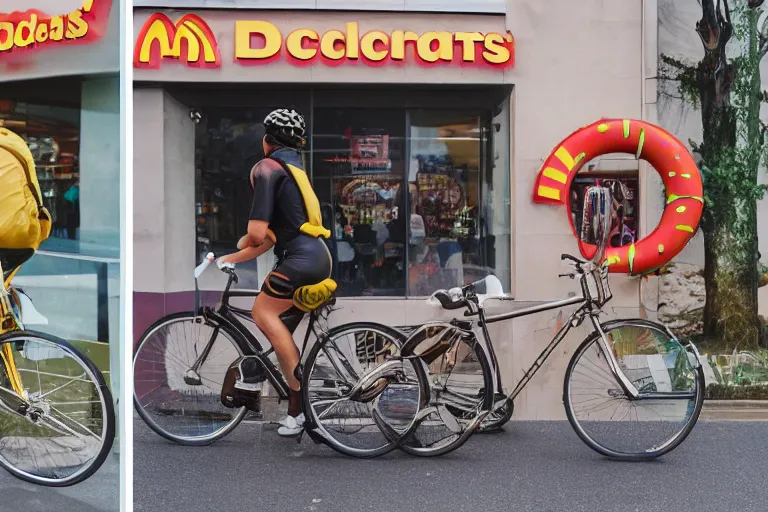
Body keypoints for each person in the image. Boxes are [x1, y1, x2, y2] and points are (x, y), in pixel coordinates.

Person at [217, 109, 333, 437]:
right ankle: (294, 413)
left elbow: (257, 234)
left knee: (261, 311)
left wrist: (241, 244)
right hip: (317, 258)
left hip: (298, 261)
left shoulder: (266, 168)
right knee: (280, 331)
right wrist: (233, 257)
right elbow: (268, 240)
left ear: (266, 140)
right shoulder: (295, 170)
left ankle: (300, 399)